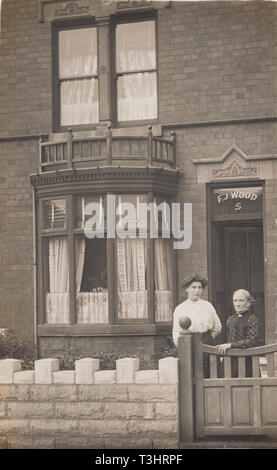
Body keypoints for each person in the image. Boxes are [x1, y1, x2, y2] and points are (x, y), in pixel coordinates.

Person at [217, 289, 260, 377]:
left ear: (248, 303)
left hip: (246, 360)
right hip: (229, 360)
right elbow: (229, 337)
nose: (237, 304)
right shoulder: (230, 319)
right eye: (235, 300)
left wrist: (231, 345)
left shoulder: (252, 319)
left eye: (241, 300)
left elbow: (252, 341)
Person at [172, 273, 222, 347]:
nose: (197, 290)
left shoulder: (208, 305)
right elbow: (176, 332)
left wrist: (209, 338)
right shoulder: (180, 308)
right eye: (194, 287)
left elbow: (218, 326)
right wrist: (182, 346)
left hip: (206, 343)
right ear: (187, 289)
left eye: (200, 287)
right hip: (188, 343)